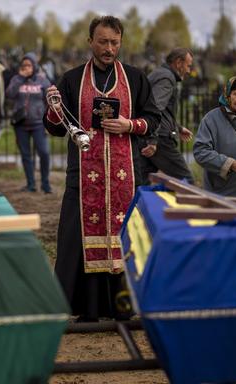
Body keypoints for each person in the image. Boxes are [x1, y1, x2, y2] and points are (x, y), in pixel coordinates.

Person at [43, 16, 161, 321]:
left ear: (121, 42)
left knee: (126, 237)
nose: (109, 48)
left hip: (124, 175)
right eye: (103, 41)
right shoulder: (70, 80)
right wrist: (55, 109)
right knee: (76, 239)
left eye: (115, 42)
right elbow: (58, 128)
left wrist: (129, 125)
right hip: (83, 178)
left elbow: (154, 118)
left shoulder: (136, 78)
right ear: (90, 41)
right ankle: (87, 308)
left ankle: (125, 306)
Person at [141, 47, 195, 184]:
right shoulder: (166, 78)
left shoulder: (159, 73)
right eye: (188, 66)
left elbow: (159, 109)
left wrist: (178, 128)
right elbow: (155, 108)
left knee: (143, 182)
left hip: (152, 135)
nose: (189, 71)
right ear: (178, 63)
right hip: (160, 139)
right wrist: (153, 141)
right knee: (187, 181)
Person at [6, 53, 52, 193]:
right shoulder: (16, 79)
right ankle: (30, 184)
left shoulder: (42, 80)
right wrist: (20, 78)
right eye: (24, 65)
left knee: (44, 153)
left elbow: (50, 99)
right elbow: (9, 95)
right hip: (21, 124)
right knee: (26, 155)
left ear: (34, 66)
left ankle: (45, 183)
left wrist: (49, 121)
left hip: (39, 123)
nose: (26, 67)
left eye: (29, 65)